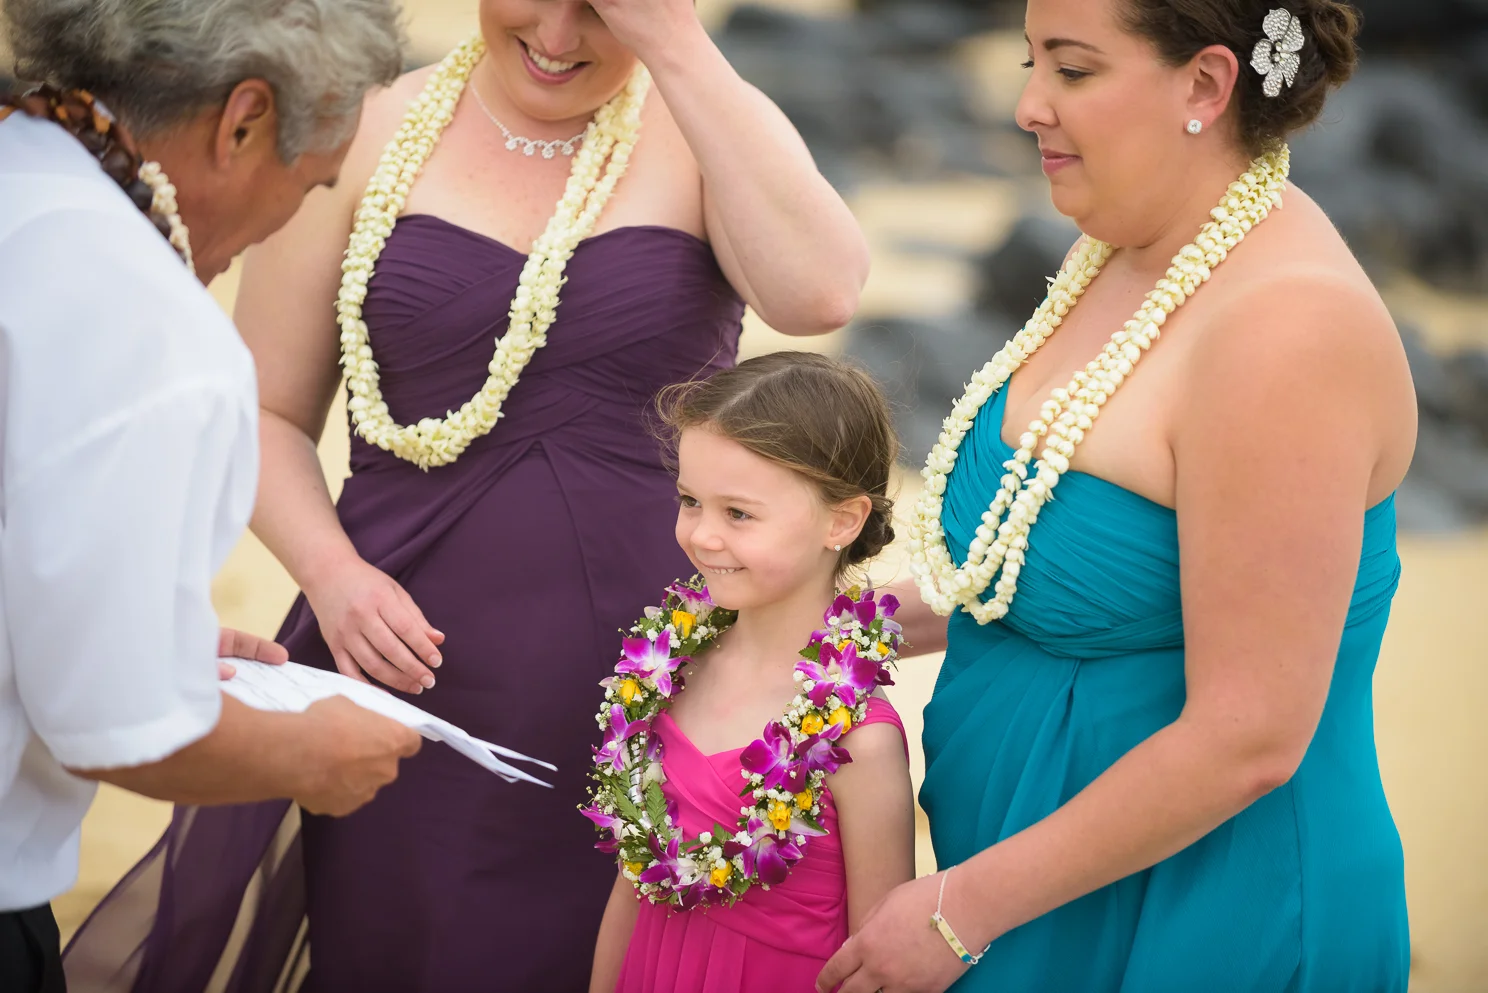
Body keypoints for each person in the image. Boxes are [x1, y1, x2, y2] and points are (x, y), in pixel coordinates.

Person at [83, 0, 873, 988]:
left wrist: (674, 44)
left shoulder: (704, 122)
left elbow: (819, 295)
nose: (559, 36)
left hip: (657, 683)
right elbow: (265, 413)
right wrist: (332, 576)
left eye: (602, 10)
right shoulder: (366, 125)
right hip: (407, 668)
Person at [819, 1, 1415, 991]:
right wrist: (820, 633)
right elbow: (1025, 571)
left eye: (1073, 70)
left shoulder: (1288, 332)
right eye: (1030, 61)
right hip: (1027, 887)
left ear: (1206, 83)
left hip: (1202, 916)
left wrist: (961, 910)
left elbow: (1250, 736)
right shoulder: (1122, 247)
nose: (1027, 105)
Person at [0, 1, 425, 991]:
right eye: (309, 184)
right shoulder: (148, 326)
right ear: (243, 122)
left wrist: (134, 628)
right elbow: (121, 724)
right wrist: (308, 754)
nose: (289, 222)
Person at [586, 353, 916, 992]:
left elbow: (877, 963)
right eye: (690, 501)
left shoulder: (860, 740)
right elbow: (632, 886)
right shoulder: (662, 677)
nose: (702, 535)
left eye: (738, 513)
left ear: (842, 520)